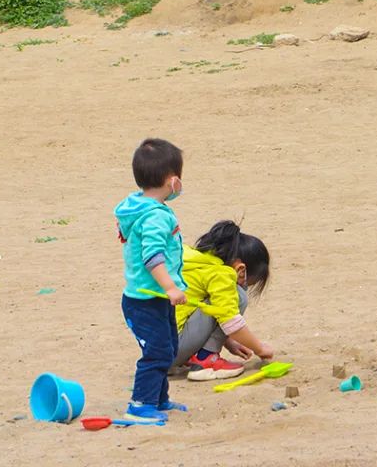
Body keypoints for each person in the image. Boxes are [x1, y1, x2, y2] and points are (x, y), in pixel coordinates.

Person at [115, 138, 188, 423]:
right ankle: (140, 404)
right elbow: (153, 256)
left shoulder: (139, 207)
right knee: (156, 351)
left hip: (153, 298)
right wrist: (170, 287)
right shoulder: (155, 217)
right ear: (172, 181)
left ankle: (160, 398)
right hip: (145, 300)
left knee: (167, 347)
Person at [173, 220, 274, 381]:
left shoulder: (196, 261)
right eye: (246, 283)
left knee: (215, 300)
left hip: (156, 349)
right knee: (237, 296)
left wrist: (228, 342)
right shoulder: (220, 274)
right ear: (241, 269)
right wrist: (259, 348)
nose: (244, 286)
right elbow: (229, 319)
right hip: (174, 348)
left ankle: (186, 359)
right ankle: (206, 359)